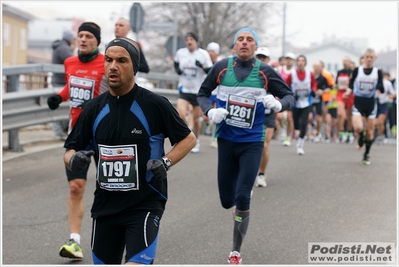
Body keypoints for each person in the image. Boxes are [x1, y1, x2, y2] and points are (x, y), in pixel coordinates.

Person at [63, 37, 196, 264]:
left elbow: (188, 139)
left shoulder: (154, 104)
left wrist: (166, 162)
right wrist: (74, 160)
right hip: (105, 207)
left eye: (122, 61)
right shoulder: (94, 108)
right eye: (109, 60)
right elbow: (69, 150)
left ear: (134, 67)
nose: (113, 66)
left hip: (144, 204)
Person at [197, 28, 295, 264]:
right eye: (240, 39)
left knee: (243, 196)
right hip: (226, 140)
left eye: (249, 40)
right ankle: (237, 207)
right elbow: (201, 93)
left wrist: (278, 104)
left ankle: (235, 250)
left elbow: (290, 96)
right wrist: (210, 111)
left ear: (255, 47)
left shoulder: (266, 72)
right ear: (234, 46)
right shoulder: (221, 67)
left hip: (252, 141)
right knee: (226, 200)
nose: (244, 43)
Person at [47, 22, 109, 260]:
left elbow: (115, 91)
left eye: (88, 36)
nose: (83, 39)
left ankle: (117, 234)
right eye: (80, 35)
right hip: (77, 133)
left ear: (97, 41)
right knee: (75, 187)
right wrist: (59, 97)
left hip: (104, 133)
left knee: (110, 187)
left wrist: (94, 105)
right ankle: (74, 242)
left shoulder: (106, 62)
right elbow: (71, 87)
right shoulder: (69, 63)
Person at [174, 32, 213, 153]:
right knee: (180, 114)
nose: (189, 42)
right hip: (184, 89)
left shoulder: (203, 54)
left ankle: (197, 140)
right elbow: (175, 63)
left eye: (191, 39)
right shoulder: (181, 53)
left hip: (197, 91)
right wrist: (178, 70)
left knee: (196, 120)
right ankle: (187, 134)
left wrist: (201, 66)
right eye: (187, 40)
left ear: (196, 41)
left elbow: (211, 70)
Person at [343, 48, 384, 165]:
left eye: (372, 57)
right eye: (367, 57)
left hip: (371, 102)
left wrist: (380, 88)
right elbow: (351, 83)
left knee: (370, 131)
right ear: (364, 58)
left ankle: (367, 154)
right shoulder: (357, 70)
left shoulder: (377, 72)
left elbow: (381, 86)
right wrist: (348, 91)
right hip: (359, 101)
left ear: (374, 59)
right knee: (358, 128)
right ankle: (360, 136)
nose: (369, 59)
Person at [285, 55, 317, 155]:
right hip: (295, 104)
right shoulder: (292, 74)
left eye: (303, 61)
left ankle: (300, 143)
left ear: (305, 63)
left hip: (307, 102)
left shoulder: (309, 74)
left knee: (304, 122)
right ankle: (297, 134)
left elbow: (314, 84)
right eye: (299, 61)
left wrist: (314, 90)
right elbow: (286, 85)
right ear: (296, 63)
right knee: (296, 124)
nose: (300, 63)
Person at [50, 29, 77, 140]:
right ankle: (57, 132)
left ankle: (59, 131)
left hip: (58, 80)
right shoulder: (64, 48)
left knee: (61, 109)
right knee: (61, 109)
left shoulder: (59, 46)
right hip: (61, 82)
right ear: (70, 38)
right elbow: (73, 62)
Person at [254, 46, 274, 187]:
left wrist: (279, 104)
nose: (261, 60)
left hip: (268, 114)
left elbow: (285, 93)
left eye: (264, 57)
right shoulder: (249, 73)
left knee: (264, 146)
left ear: (268, 59)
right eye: (259, 57)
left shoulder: (273, 74)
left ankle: (261, 174)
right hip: (252, 115)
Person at [277, 52, 296, 146]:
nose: (288, 61)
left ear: (293, 61)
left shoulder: (295, 72)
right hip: (280, 96)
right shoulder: (280, 69)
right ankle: (282, 129)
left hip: (291, 96)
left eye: (290, 59)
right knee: (279, 116)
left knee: (289, 118)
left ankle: (287, 137)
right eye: (287, 58)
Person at [205, 41, 221, 147]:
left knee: (215, 116)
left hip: (218, 93)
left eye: (213, 51)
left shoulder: (220, 64)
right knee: (205, 117)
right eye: (209, 51)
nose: (210, 53)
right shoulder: (204, 62)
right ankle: (208, 126)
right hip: (207, 92)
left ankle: (214, 137)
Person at [336, 56, 355, 144]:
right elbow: (336, 83)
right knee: (340, 114)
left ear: (350, 63)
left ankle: (349, 132)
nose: (345, 63)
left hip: (350, 94)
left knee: (349, 115)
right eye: (344, 61)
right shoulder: (339, 72)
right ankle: (341, 132)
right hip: (340, 94)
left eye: (347, 61)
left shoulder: (353, 72)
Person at [310, 61, 329, 143]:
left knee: (318, 118)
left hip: (319, 100)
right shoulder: (309, 76)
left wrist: (323, 91)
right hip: (310, 99)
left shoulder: (323, 78)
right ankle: (312, 127)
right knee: (309, 117)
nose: (317, 68)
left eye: (319, 67)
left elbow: (329, 88)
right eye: (315, 67)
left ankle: (317, 133)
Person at [375, 72, 395, 144]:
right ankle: (374, 135)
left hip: (384, 103)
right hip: (375, 103)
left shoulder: (387, 83)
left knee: (381, 121)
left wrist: (390, 97)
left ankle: (380, 137)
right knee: (374, 122)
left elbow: (393, 93)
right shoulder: (373, 81)